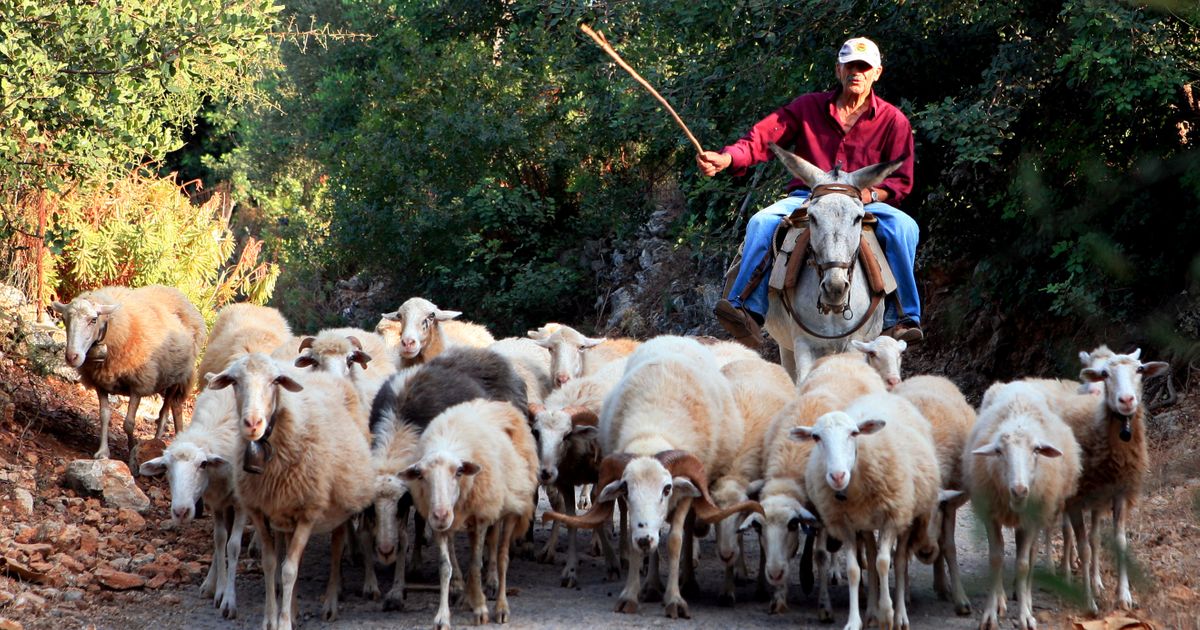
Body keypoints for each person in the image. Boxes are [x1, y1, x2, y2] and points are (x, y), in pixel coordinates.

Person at [697, 37, 922, 348]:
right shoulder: (807, 108)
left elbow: (900, 182)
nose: (856, 72)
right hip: (808, 196)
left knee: (904, 228)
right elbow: (762, 138)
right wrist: (727, 158)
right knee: (761, 223)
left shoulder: (894, 121)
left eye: (864, 67)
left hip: (862, 201)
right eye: (850, 66)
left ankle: (901, 318)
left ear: (877, 73)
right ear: (838, 69)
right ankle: (745, 309)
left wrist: (868, 197)